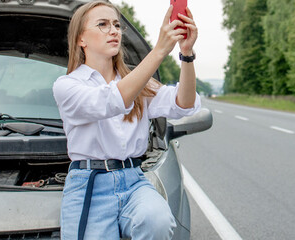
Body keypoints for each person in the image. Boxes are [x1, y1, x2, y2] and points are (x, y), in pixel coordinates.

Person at [52, 1, 200, 239]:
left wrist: (187, 54)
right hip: (89, 185)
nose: (113, 30)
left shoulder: (138, 82)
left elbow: (183, 103)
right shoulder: (67, 86)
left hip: (133, 181)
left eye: (116, 25)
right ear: (81, 39)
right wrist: (159, 50)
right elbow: (112, 100)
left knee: (158, 220)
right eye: (102, 24)